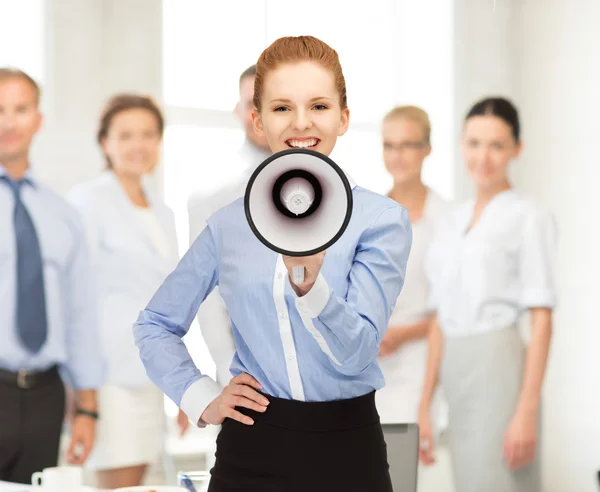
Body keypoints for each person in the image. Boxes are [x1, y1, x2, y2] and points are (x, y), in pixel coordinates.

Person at [133, 36, 412, 492]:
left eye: (319, 105)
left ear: (343, 118)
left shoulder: (380, 220)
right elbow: (155, 324)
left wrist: (312, 286)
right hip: (250, 450)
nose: (301, 122)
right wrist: (202, 397)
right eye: (282, 108)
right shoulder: (228, 225)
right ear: (258, 121)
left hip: (348, 451)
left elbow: (358, 351)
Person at [418, 97, 556, 492]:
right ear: (461, 145)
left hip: (501, 368)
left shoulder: (529, 216)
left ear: (517, 148)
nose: (484, 156)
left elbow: (542, 319)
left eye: (497, 145)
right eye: (474, 143)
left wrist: (526, 411)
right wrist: (426, 403)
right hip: (455, 371)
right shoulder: (450, 220)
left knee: (503, 481)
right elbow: (439, 318)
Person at [67, 94, 186, 489]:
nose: (139, 145)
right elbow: (74, 297)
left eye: (149, 134)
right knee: (116, 482)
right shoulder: (88, 201)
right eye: (126, 135)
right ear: (106, 143)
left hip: (151, 372)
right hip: (108, 377)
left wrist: (181, 385)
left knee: (141, 482)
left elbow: (169, 302)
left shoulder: (162, 210)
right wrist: (82, 393)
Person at [0, 67, 103, 484]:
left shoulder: (63, 215)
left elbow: (80, 315)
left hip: (46, 396)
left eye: (20, 109)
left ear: (38, 120)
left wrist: (88, 409)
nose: (9, 121)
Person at [187, 64, 271, 387]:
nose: (261, 115)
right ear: (239, 110)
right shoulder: (213, 193)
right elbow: (205, 291)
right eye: (252, 104)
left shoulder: (320, 181)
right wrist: (227, 366)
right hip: (245, 371)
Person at [376, 106, 447, 430]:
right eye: (389, 145)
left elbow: (448, 308)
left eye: (407, 145)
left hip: (422, 363)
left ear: (427, 149)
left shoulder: (447, 219)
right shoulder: (370, 215)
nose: (397, 155)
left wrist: (404, 334)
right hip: (372, 365)